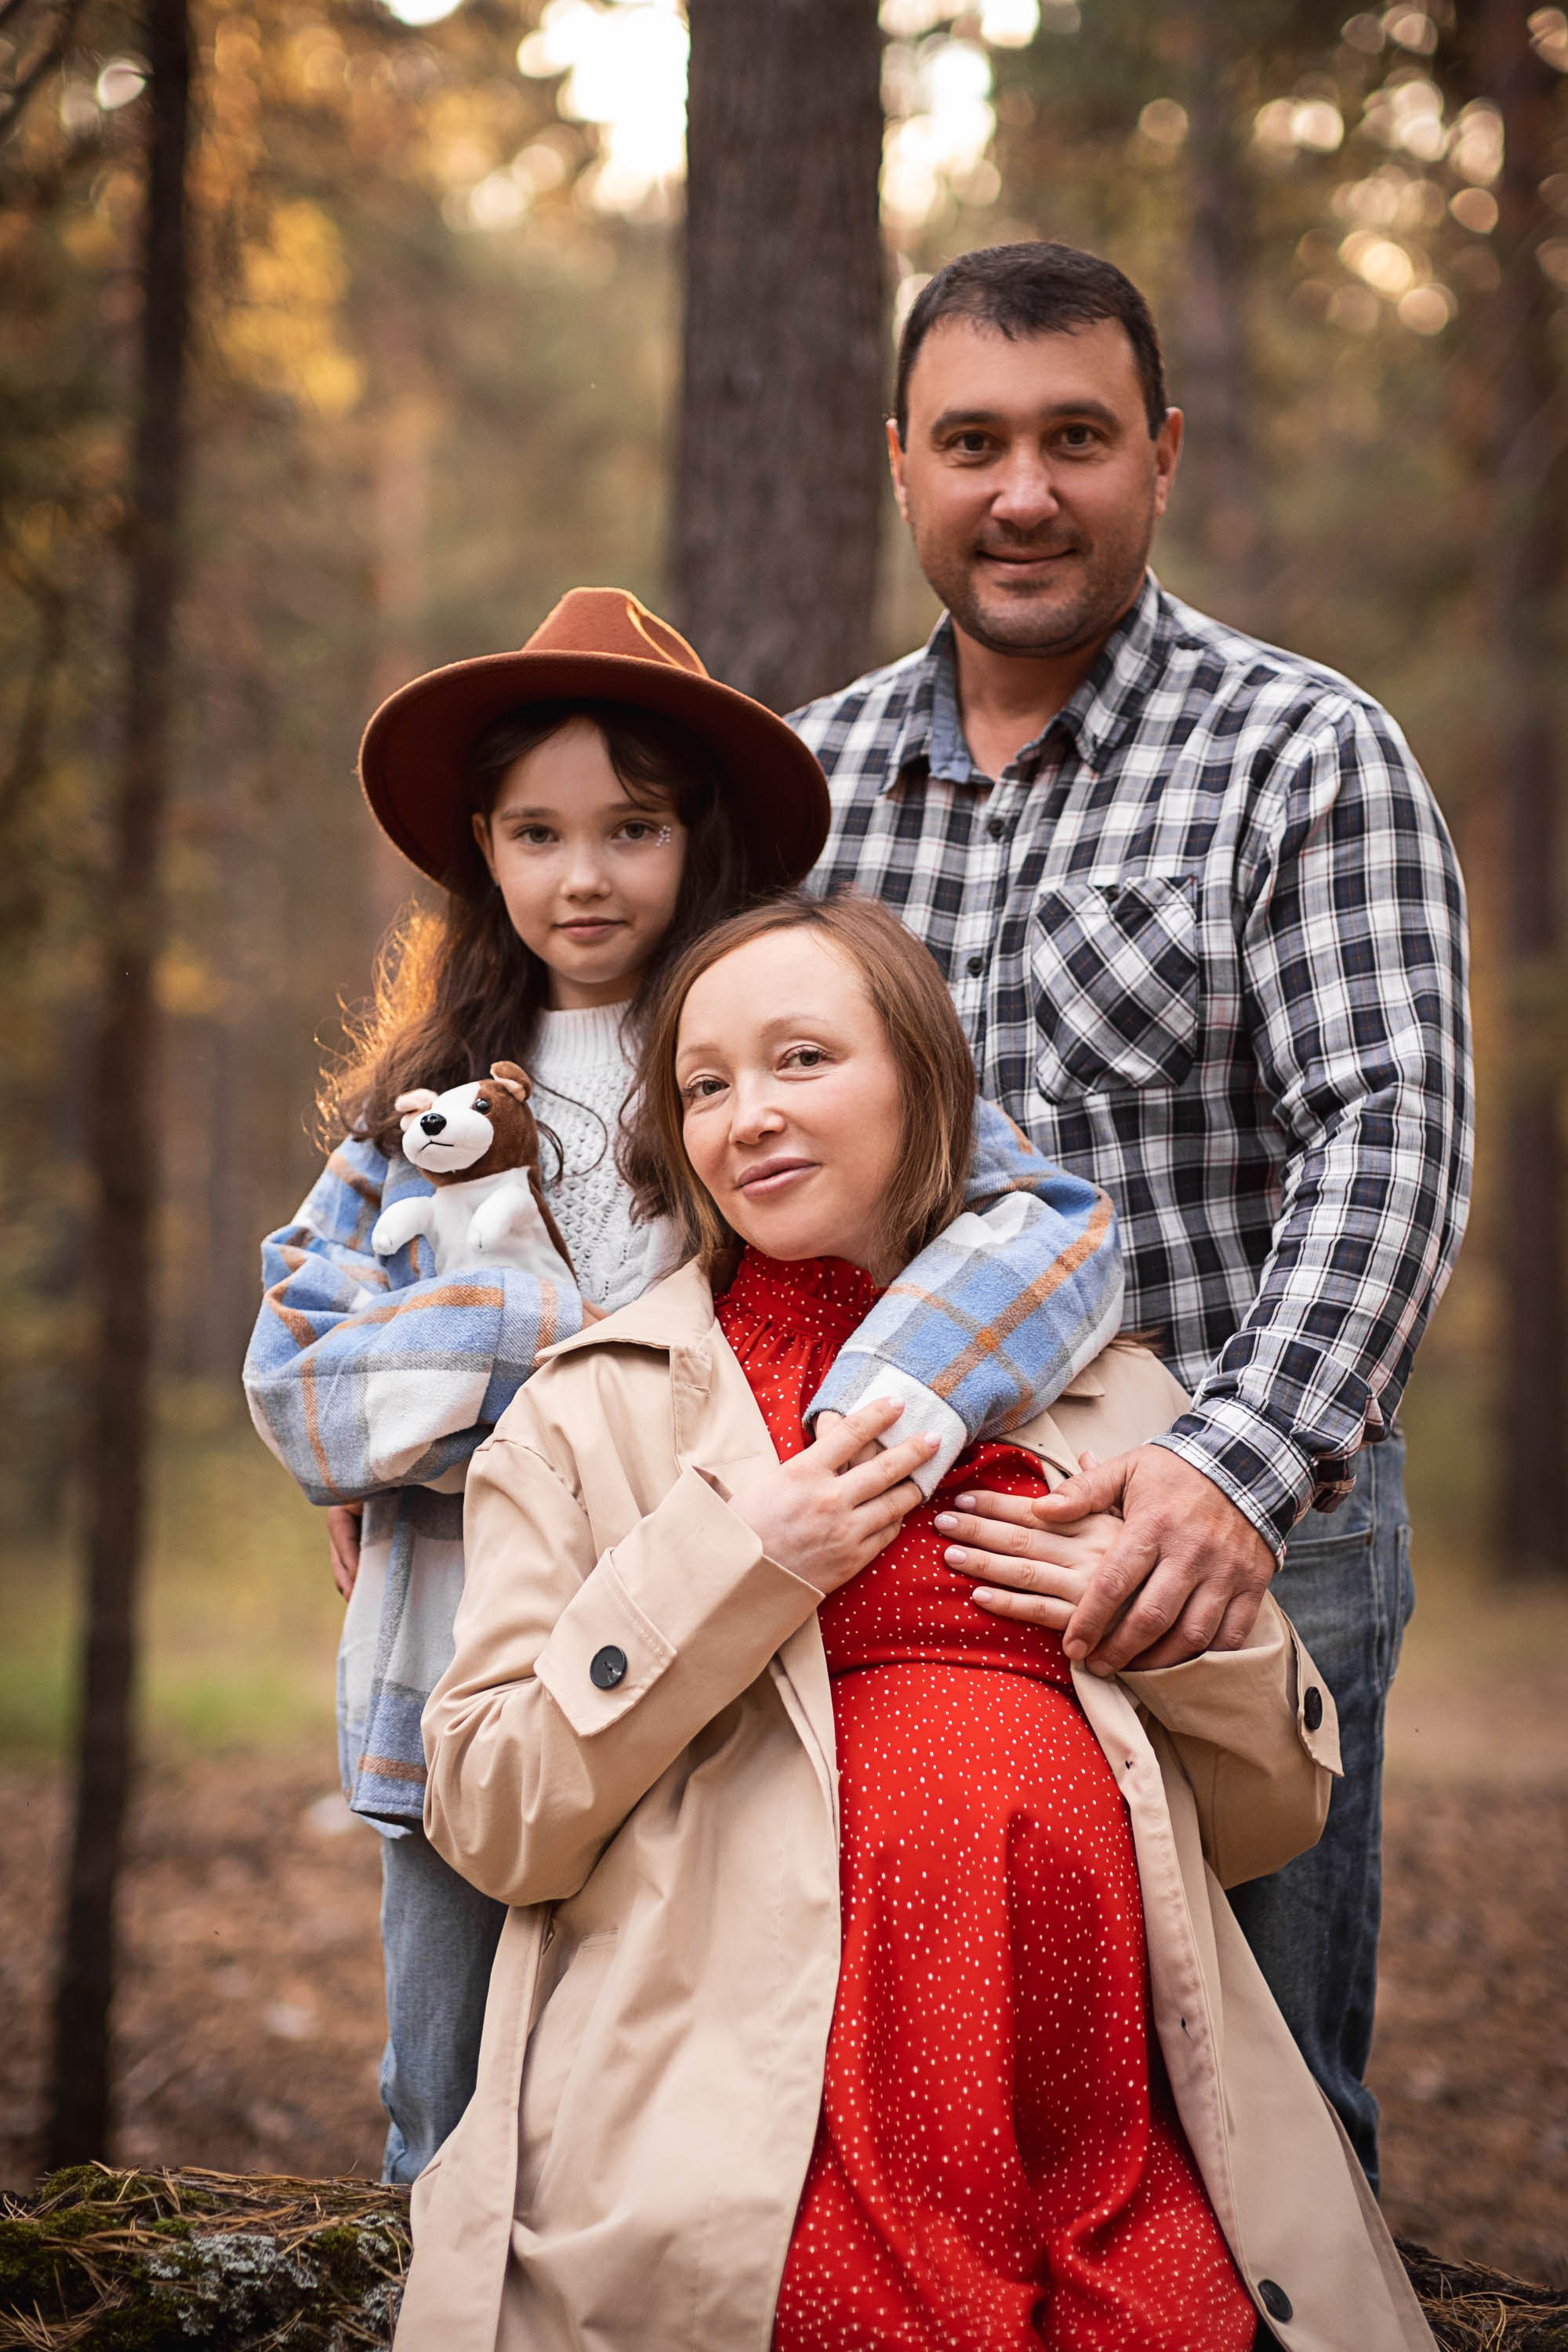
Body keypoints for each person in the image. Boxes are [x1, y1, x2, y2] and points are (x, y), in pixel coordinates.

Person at [394, 891, 1435, 2352]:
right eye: (705, 1086)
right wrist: (730, 1564)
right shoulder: (593, 1414)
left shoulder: (1119, 1402)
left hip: (1102, 2156)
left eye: (803, 1059)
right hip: (756, 2156)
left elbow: (1269, 1821)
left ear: (926, 1084)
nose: (749, 1115)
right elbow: (493, 1812)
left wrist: (1169, 1630)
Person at [243, 587, 1125, 2185]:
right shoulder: (414, 1116)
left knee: (658, 2090)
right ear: (482, 851)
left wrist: (882, 1396)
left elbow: (1050, 1227)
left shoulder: (750, 1060)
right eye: (537, 834)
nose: (583, 877)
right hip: (467, 1679)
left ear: (695, 835)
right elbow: (301, 1381)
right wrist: (558, 1354)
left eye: (631, 829)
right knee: (448, 2110)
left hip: (717, 1646)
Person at [789, 240, 1472, 2183]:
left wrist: (1229, 1478)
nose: (1024, 492)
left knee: (1252, 2130)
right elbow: (675, 1139)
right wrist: (433, 1421)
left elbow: (1389, 1132)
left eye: (1075, 438)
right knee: (916, 2114)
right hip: (887, 1551)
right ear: (900, 464)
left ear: (1158, 455)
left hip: (1234, 1547)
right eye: (973, 443)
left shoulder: (1300, 751)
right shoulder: (806, 788)